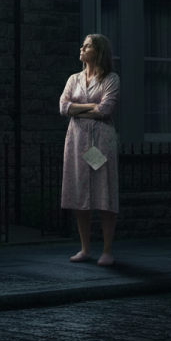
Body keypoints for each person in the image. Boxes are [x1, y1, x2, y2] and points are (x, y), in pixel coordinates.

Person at [60, 34, 120, 266]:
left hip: (101, 142)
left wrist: (78, 110)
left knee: (104, 194)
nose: (82, 48)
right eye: (83, 44)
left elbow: (105, 110)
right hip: (76, 140)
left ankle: (107, 250)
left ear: (98, 51)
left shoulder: (111, 79)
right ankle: (85, 249)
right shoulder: (73, 79)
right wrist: (90, 106)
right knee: (80, 194)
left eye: (87, 45)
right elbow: (63, 107)